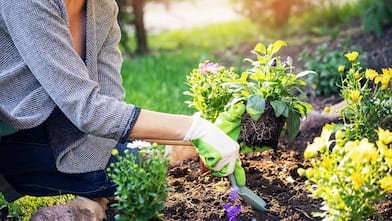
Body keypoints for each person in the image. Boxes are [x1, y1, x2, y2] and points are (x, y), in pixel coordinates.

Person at [0, 0, 245, 203]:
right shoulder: (26, 3)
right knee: (119, 173)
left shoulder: (103, 8)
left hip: (53, 127)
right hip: (10, 129)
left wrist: (200, 135)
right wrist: (194, 129)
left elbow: (109, 106)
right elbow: (87, 110)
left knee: (128, 169)